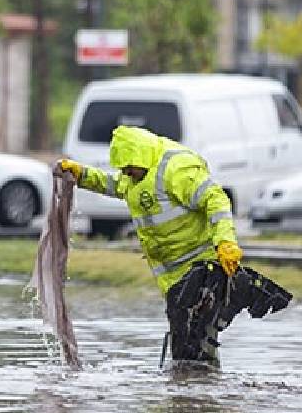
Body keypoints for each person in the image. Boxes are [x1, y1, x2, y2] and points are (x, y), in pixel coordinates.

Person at [57, 126, 244, 365]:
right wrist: (81, 174)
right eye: (123, 170)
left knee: (192, 341)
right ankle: (195, 393)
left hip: (202, 269)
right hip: (173, 278)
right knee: (190, 342)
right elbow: (112, 184)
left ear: (139, 157)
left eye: (128, 168)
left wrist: (226, 242)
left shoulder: (177, 169)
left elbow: (216, 200)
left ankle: (195, 393)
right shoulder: (135, 176)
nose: (126, 173)